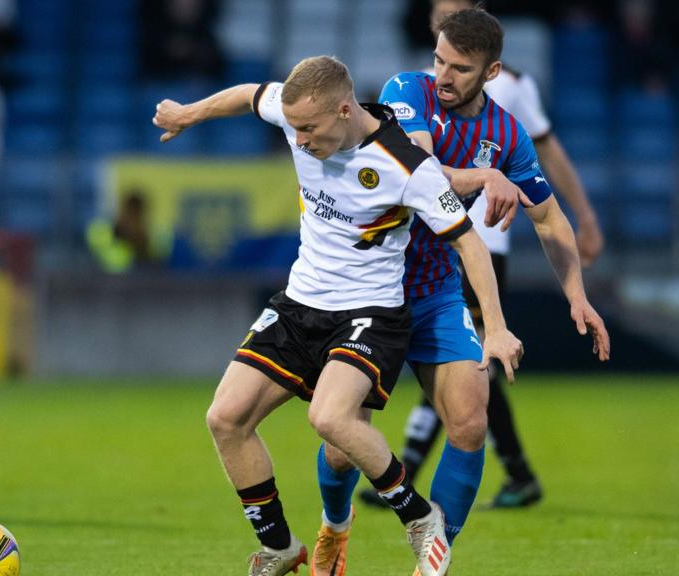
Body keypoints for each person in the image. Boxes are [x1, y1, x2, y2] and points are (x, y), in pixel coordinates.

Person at [153, 55, 523, 576]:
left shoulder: (408, 167)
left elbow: (469, 244)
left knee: (329, 419)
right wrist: (190, 114)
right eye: (294, 126)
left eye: (310, 129)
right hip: (301, 302)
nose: (299, 140)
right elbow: (247, 93)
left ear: (345, 110)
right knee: (225, 418)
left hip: (371, 312)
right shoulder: (295, 111)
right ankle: (280, 546)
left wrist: (498, 326)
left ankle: (421, 521)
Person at [311, 8, 611, 576]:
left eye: (460, 68)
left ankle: (432, 562)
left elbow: (549, 221)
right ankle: (335, 524)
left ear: (491, 72)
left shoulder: (506, 135)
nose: (443, 76)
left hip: (436, 290)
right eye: (440, 60)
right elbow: (420, 167)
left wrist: (577, 294)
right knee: (340, 439)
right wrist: (486, 178)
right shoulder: (408, 91)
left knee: (472, 419)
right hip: (370, 290)